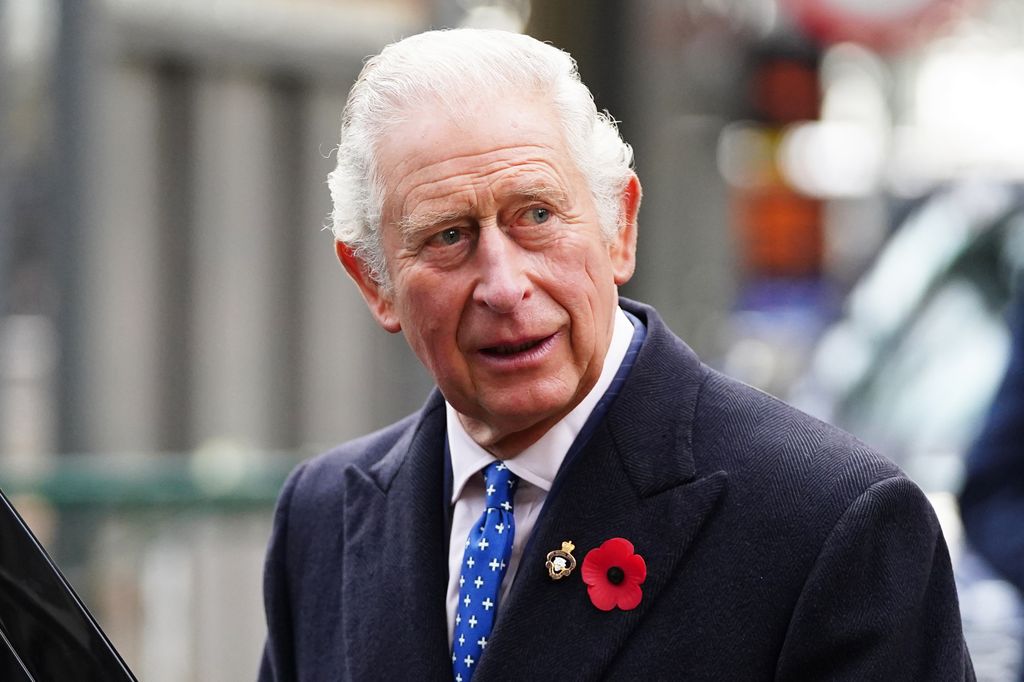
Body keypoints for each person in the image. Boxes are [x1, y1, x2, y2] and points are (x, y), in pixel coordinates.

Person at [259, 28, 974, 681]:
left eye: (535, 215)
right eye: (448, 236)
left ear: (618, 229)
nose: (505, 287)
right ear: (374, 282)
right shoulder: (321, 520)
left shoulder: (831, 523)